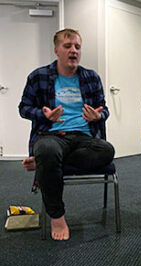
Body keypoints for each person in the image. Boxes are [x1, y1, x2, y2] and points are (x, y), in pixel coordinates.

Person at [19, 28, 114, 241]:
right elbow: (23, 108)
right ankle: (57, 215)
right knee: (47, 149)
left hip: (83, 138)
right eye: (68, 46)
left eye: (77, 47)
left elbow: (104, 109)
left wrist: (97, 117)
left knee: (107, 151)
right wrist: (44, 115)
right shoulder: (38, 76)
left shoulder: (91, 77)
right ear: (56, 50)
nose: (74, 51)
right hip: (52, 135)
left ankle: (44, 162)